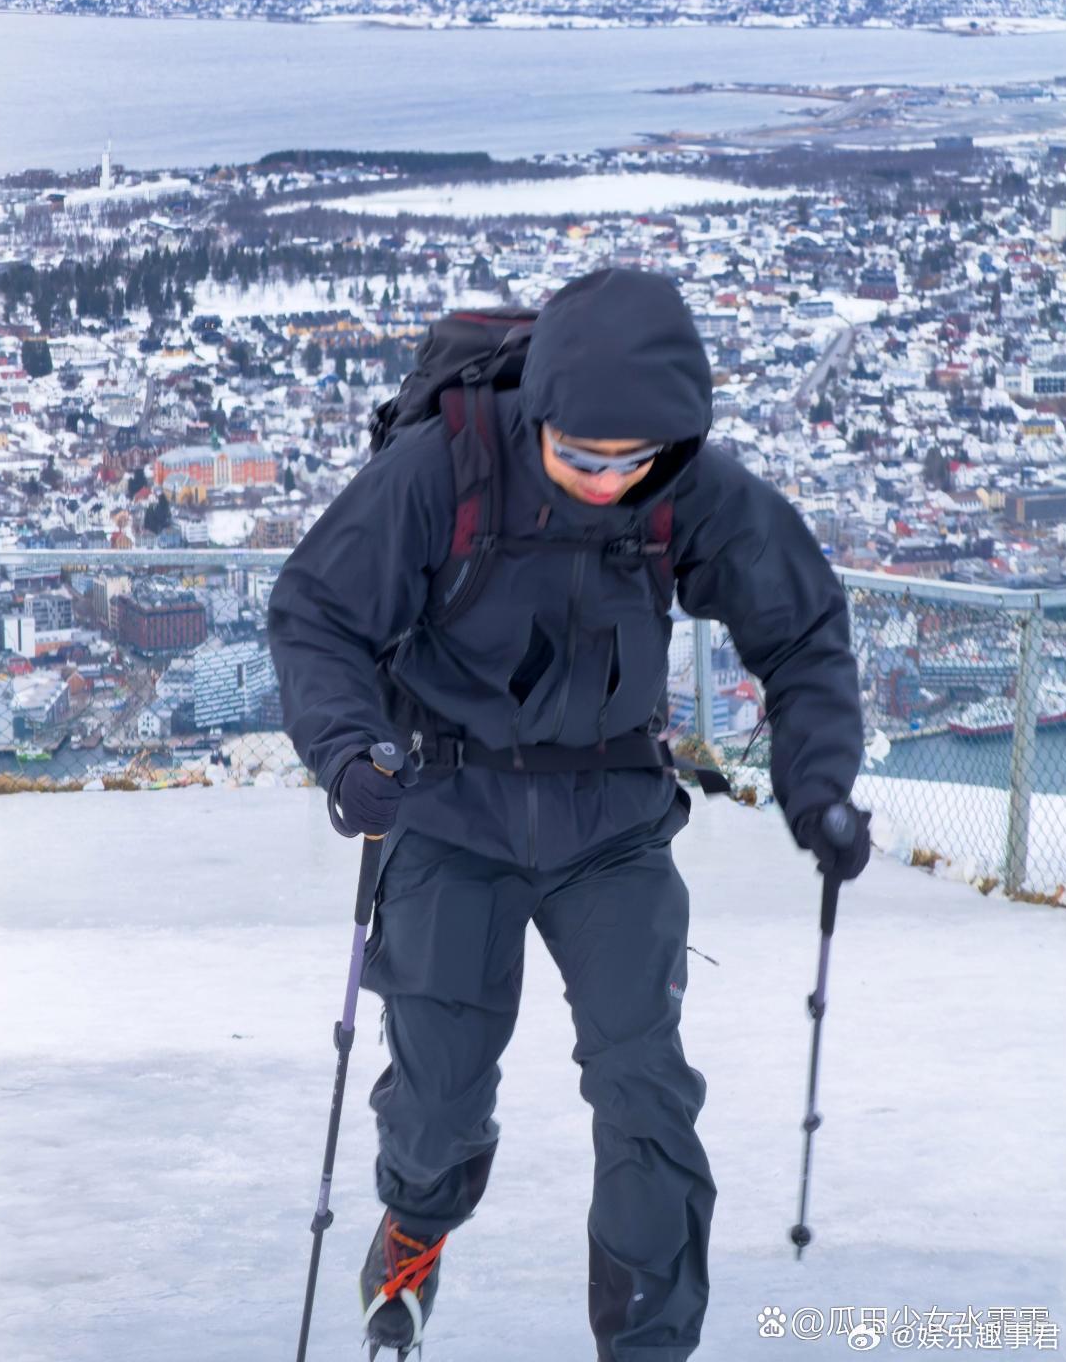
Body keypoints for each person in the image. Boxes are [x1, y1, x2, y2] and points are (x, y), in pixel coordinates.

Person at [268, 267, 869, 1361]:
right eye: (579, 457)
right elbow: (317, 612)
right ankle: (416, 1219)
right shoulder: (438, 470)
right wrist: (351, 751)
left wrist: (818, 786)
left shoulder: (685, 487)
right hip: (450, 807)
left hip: (612, 819)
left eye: (628, 463)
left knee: (645, 1086)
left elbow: (802, 626)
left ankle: (648, 1336)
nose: (603, 480)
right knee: (440, 1091)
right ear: (537, 415)